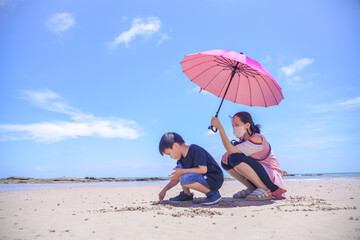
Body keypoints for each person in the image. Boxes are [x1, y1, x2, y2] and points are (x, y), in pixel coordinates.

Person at [210, 111, 286, 200]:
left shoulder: (257, 138)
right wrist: (227, 153)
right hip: (263, 175)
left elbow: (232, 150)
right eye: (233, 126)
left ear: (247, 125)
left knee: (235, 158)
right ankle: (253, 189)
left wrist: (220, 128)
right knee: (226, 162)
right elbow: (231, 151)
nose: (234, 128)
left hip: (273, 180)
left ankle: (265, 190)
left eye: (237, 125)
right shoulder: (243, 140)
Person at [158, 132, 224, 205]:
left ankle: (212, 194)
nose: (170, 157)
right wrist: (164, 190)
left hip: (214, 178)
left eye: (169, 153)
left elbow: (203, 169)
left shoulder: (194, 149)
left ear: (175, 146)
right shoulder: (181, 160)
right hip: (203, 179)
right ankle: (187, 195)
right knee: (179, 169)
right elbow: (176, 178)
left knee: (184, 176)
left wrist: (182, 171)